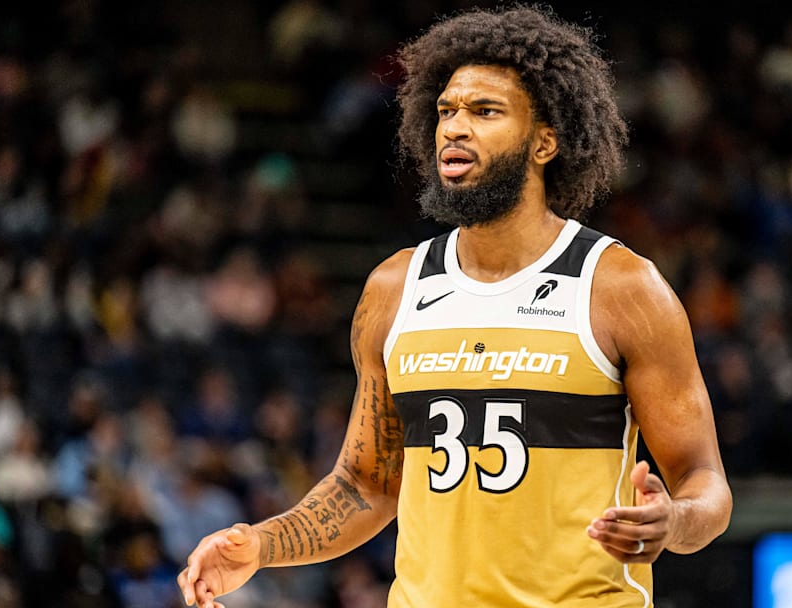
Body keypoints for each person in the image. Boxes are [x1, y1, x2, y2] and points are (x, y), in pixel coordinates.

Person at [178, 7, 732, 607]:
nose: (454, 128)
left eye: (484, 111)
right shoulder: (394, 288)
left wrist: (673, 521)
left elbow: (704, 483)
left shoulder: (620, 287)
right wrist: (260, 545)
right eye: (446, 110)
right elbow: (367, 484)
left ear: (545, 140)